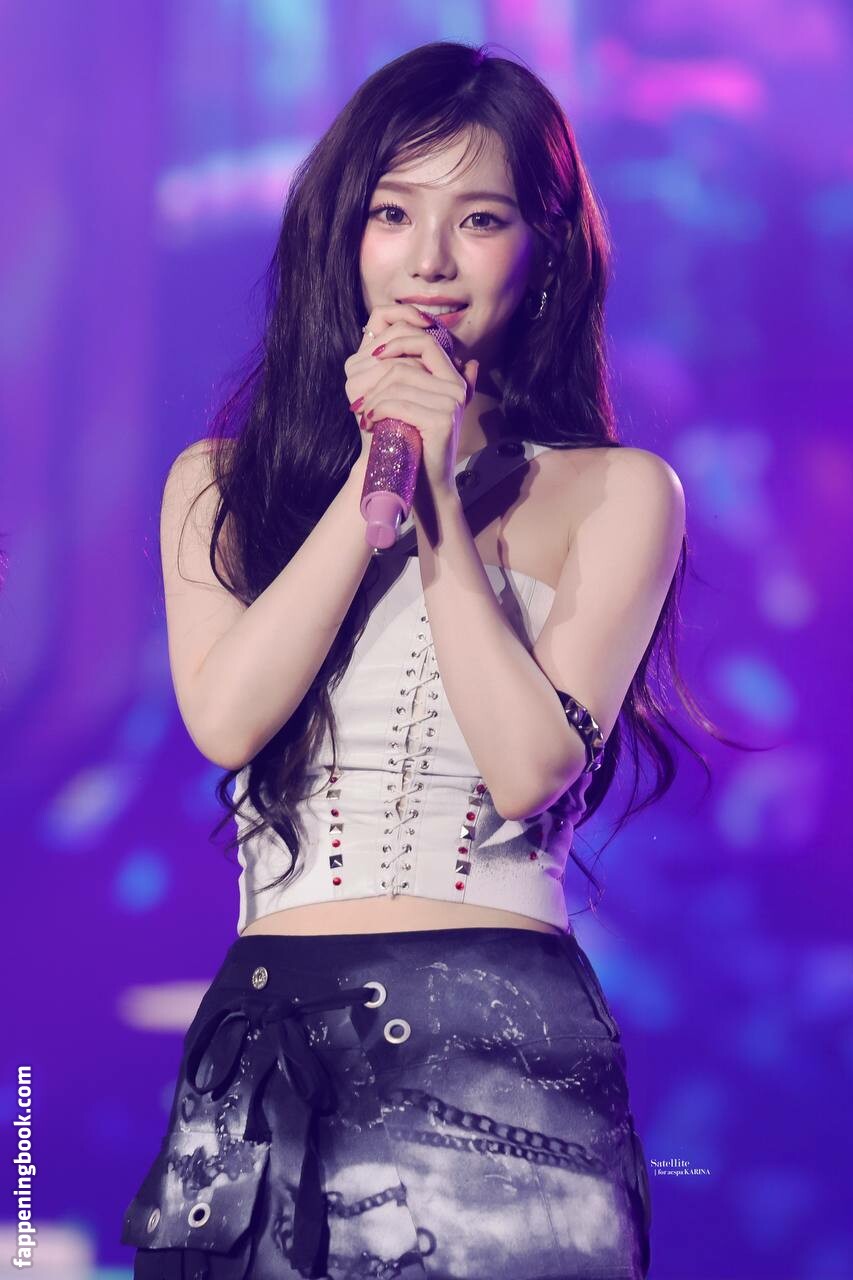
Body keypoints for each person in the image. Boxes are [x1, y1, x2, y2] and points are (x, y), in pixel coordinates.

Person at [119, 40, 699, 1280]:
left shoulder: (619, 492)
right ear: (345, 237)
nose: (429, 259)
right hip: (270, 1037)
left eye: (479, 219)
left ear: (544, 255)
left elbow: (528, 765)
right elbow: (227, 719)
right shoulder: (217, 486)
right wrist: (369, 484)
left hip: (498, 1043)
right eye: (392, 213)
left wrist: (436, 497)